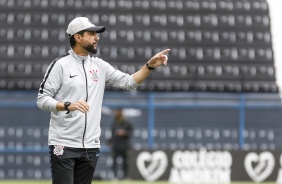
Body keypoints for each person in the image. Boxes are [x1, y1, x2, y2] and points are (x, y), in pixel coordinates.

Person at [36, 16, 170, 184]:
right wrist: (67, 105)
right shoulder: (60, 65)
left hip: (90, 146)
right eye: (91, 33)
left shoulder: (99, 66)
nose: (97, 37)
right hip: (63, 143)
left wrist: (149, 66)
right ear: (77, 37)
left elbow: (129, 82)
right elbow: (42, 100)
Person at [109, 109, 132, 179]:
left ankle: (125, 176)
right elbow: (111, 134)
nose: (116, 113)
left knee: (126, 162)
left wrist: (124, 133)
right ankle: (114, 176)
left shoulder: (127, 122)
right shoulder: (114, 122)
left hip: (124, 146)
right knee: (114, 162)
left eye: (118, 112)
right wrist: (110, 142)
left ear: (121, 113)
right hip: (115, 145)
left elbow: (131, 133)